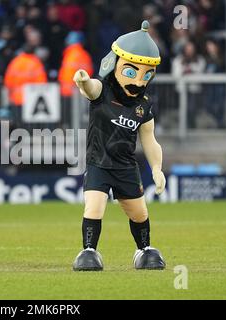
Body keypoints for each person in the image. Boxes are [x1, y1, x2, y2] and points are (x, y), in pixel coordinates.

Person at [72, 21, 166, 271]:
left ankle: (144, 250)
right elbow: (91, 88)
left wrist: (157, 168)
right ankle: (89, 251)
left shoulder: (144, 104)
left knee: (139, 214)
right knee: (94, 207)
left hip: (126, 166)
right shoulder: (103, 90)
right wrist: (83, 81)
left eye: (146, 74)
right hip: (98, 163)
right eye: (132, 71)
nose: (138, 80)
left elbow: (150, 138)